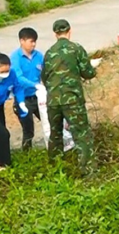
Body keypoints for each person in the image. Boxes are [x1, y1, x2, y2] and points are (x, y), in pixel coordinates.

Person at [42, 20, 100, 170]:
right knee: (82, 134)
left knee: (55, 134)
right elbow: (87, 73)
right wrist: (93, 70)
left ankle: (55, 167)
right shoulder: (76, 48)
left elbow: (44, 77)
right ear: (70, 31)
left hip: (53, 101)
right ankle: (88, 171)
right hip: (72, 99)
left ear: (55, 34)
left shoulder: (49, 53)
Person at [10, 28, 47, 151]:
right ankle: (27, 155)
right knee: (28, 131)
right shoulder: (15, 58)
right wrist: (35, 85)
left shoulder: (39, 56)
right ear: (22, 41)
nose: (34, 44)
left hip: (38, 97)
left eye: (35, 41)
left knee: (50, 122)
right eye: (31, 41)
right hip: (23, 100)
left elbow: (44, 73)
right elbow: (19, 78)